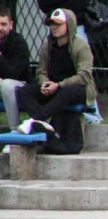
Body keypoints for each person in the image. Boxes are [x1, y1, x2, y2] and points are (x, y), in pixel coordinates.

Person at [17, 8, 97, 146]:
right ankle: (41, 122)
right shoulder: (48, 46)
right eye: (52, 24)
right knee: (24, 91)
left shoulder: (81, 46)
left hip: (75, 89)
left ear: (69, 25)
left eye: (58, 24)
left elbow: (84, 76)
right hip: (53, 87)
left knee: (68, 91)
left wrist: (59, 85)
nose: (54, 27)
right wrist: (44, 83)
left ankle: (37, 119)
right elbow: (41, 71)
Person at [0, 7, 33, 131]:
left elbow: (13, 73)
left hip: (21, 85)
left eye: (4, 24)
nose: (0, 28)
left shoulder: (19, 43)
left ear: (11, 25)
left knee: (6, 85)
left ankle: (14, 130)